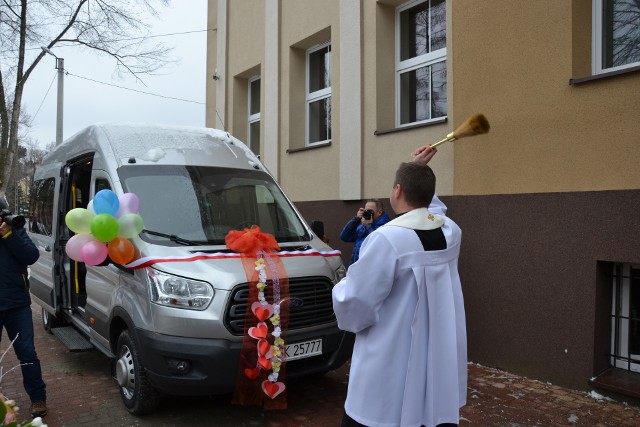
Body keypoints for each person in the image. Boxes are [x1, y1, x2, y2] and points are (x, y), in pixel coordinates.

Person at [332, 154, 466, 426]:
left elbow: (355, 304)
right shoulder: (451, 232)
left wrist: (341, 284)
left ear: (397, 190)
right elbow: (433, 211)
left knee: (381, 411)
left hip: (389, 361)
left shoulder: (386, 239)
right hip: (434, 356)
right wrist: (420, 170)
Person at [0, 199, 48, 418]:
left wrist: (9, 235)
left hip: (17, 304)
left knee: (27, 353)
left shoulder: (14, 229)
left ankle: (38, 399)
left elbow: (31, 255)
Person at [339, 199, 390, 265]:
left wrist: (368, 226)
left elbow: (376, 243)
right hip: (356, 266)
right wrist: (356, 219)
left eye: (369, 211)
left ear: (379, 212)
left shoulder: (385, 227)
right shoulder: (362, 226)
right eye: (365, 211)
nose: (366, 213)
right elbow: (344, 236)